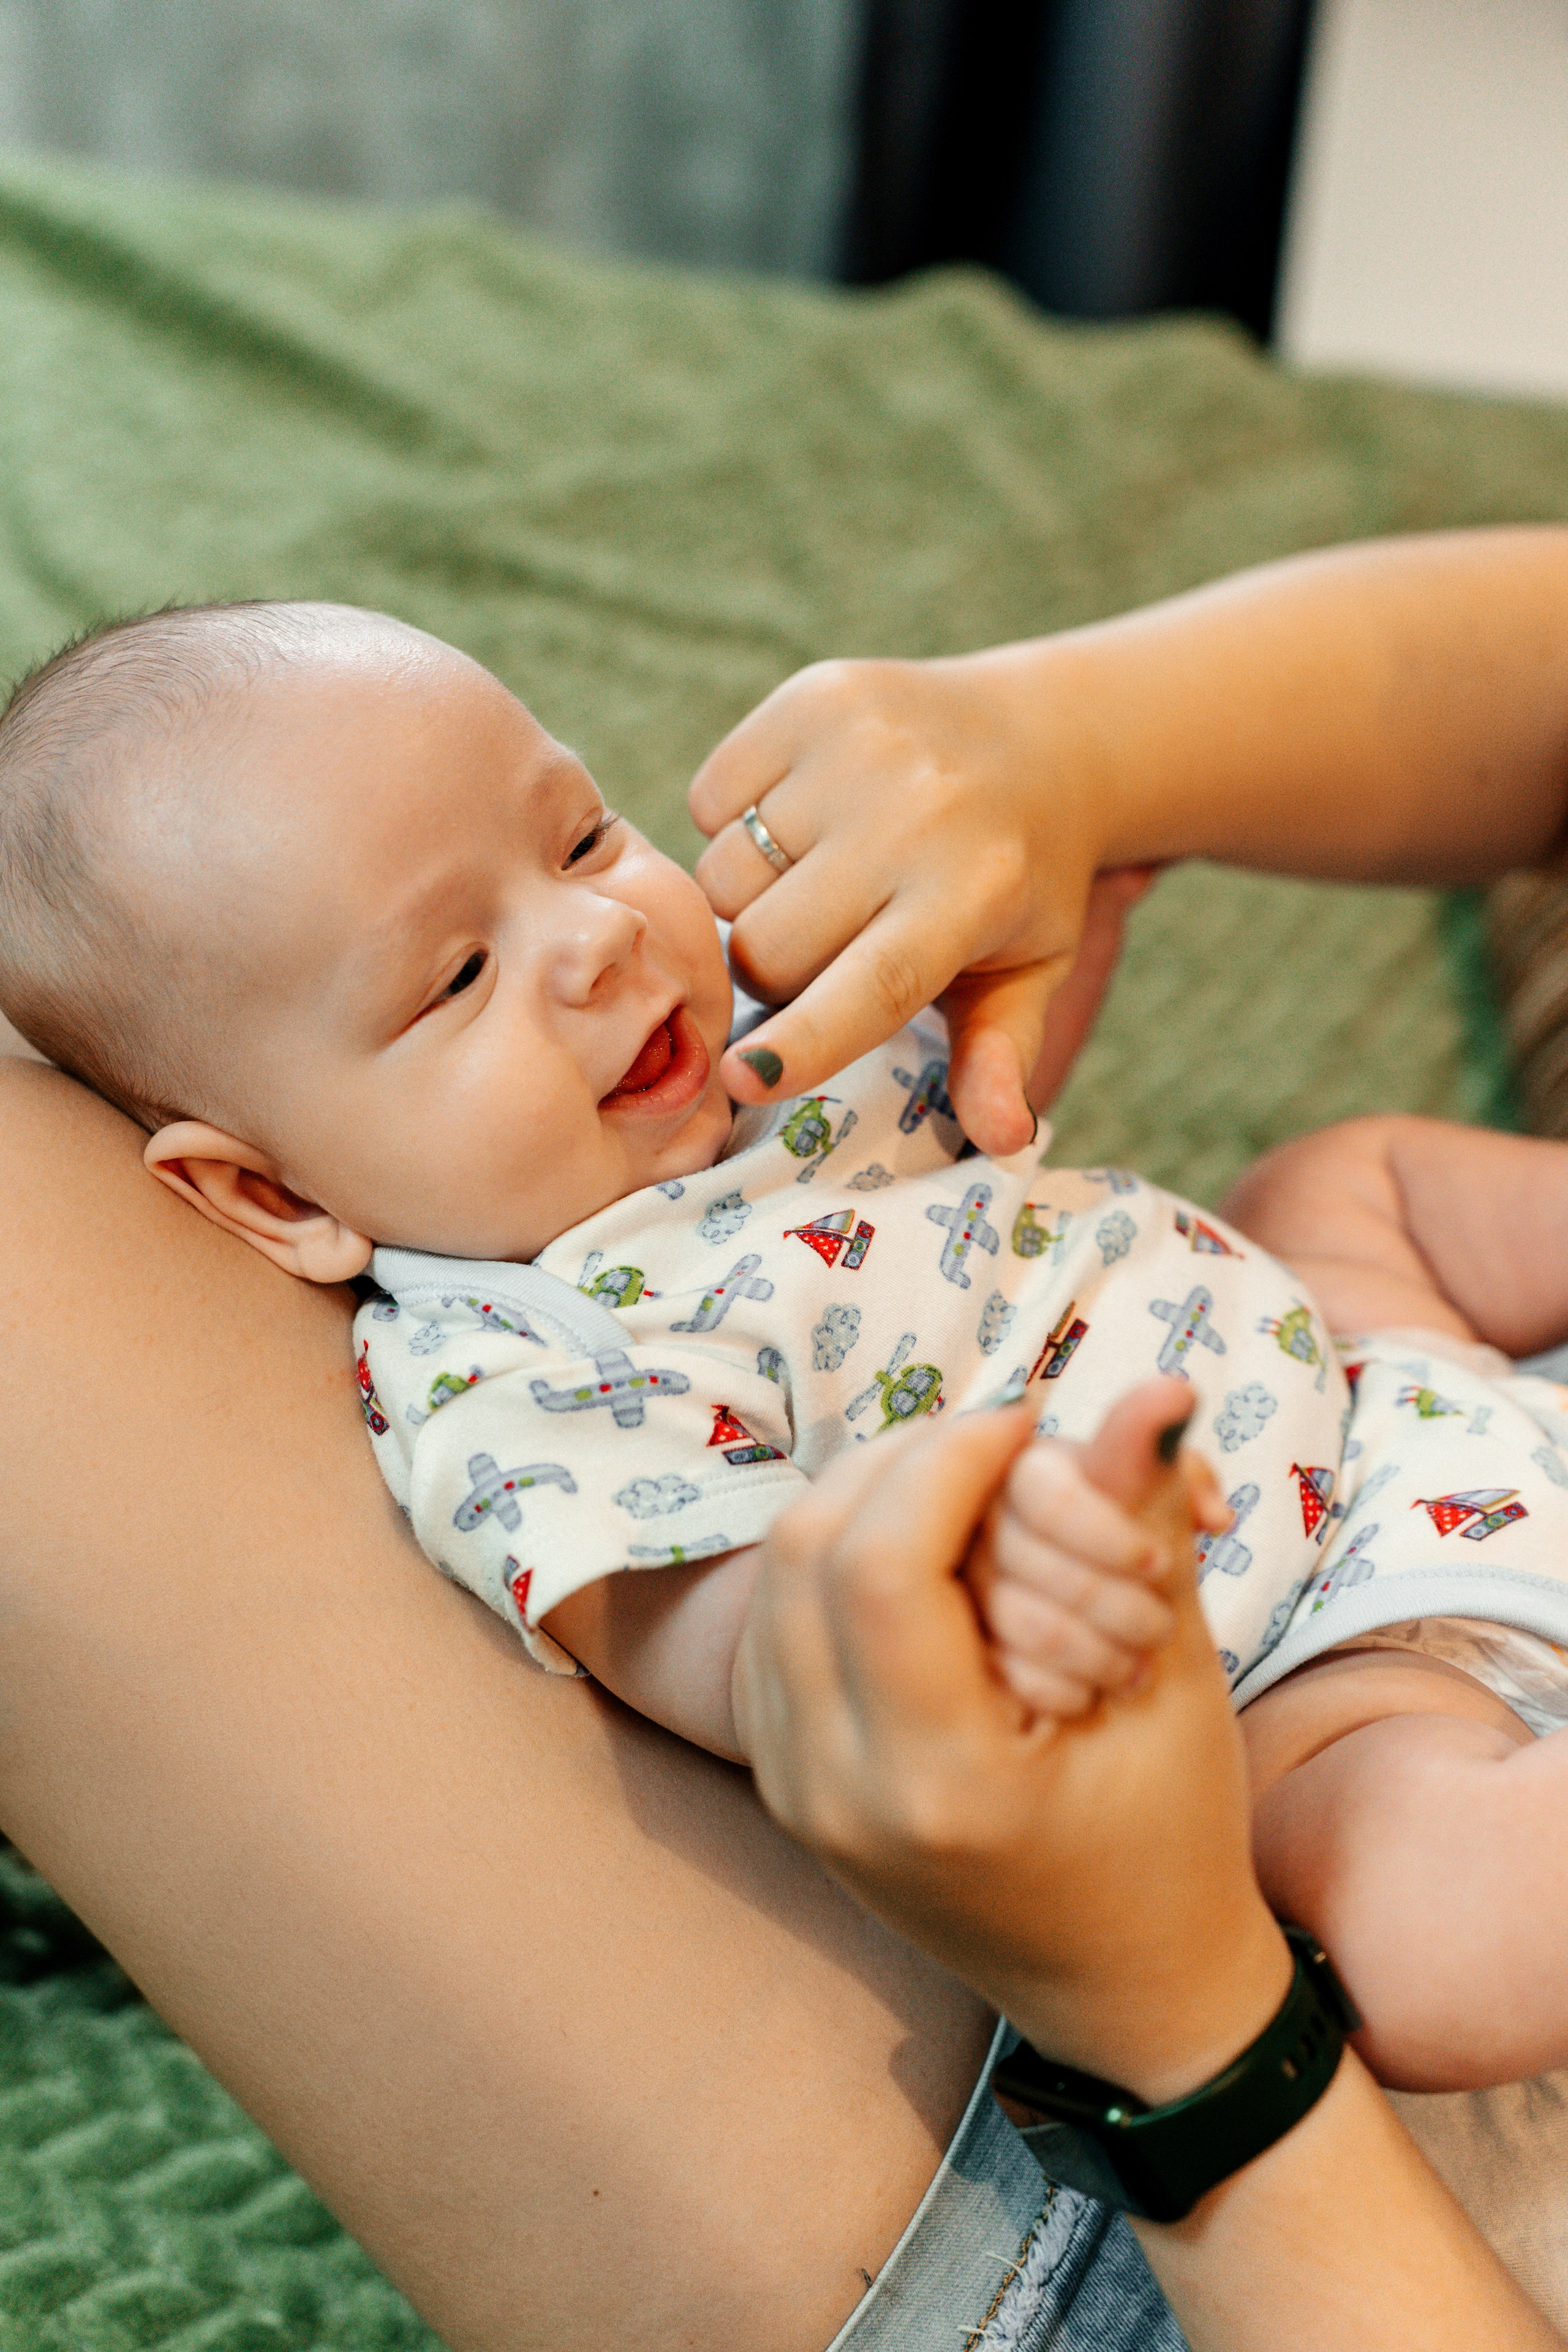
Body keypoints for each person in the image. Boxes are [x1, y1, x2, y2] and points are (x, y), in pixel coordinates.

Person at [0, 522, 1564, 2346]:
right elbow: (732, 1642)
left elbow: (960, 1152)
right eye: (452, 981)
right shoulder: (519, 1384)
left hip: (1378, 1397)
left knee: (1346, 1174)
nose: (592, 938)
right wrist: (949, 1606)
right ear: (271, 1197)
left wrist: (1036, 956)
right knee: (1421, 1942)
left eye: (580, 833)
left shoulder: (730, 1038)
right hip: (1291, 1664)